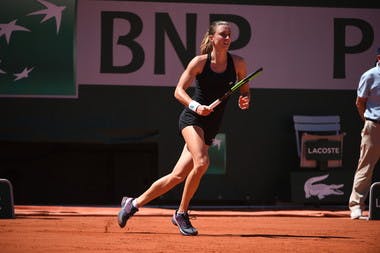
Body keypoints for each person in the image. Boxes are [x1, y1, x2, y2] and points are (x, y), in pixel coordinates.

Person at [117, 21, 251, 235]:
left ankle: (132, 204)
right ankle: (181, 213)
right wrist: (197, 107)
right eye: (223, 34)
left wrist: (245, 98)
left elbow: (244, 88)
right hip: (191, 119)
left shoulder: (238, 63)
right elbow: (178, 91)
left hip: (211, 125)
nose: (227, 38)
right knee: (203, 161)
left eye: (229, 35)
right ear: (212, 38)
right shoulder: (198, 63)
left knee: (177, 176)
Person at [349, 47, 380, 219]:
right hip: (374, 126)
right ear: (379, 58)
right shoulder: (370, 75)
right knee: (365, 167)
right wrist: (368, 121)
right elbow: (360, 102)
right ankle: (356, 206)